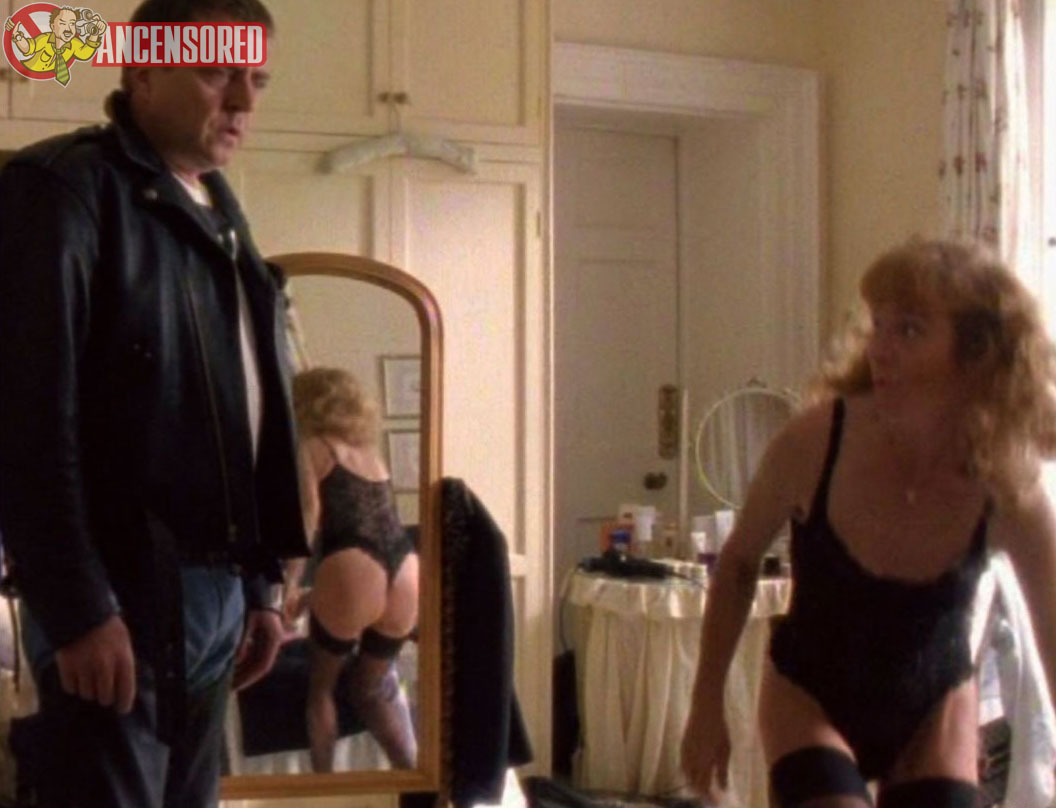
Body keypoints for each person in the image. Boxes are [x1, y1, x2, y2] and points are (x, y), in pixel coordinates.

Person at [0, 0, 308, 805]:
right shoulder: (63, 189)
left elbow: (248, 418)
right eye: (215, 73)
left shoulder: (221, 214)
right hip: (120, 589)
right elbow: (26, 418)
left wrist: (261, 589)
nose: (241, 101)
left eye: (257, 79)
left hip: (219, 594)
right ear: (141, 72)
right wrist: (76, 607)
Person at [680, 238, 1056, 808]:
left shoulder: (1007, 484)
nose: (879, 349)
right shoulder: (816, 440)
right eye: (878, 325)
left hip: (934, 706)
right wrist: (705, 706)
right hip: (810, 695)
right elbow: (737, 565)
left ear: (975, 349)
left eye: (909, 330)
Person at [284, 367, 419, 772]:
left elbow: (307, 521)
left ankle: (325, 789)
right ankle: (412, 780)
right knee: (369, 688)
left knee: (320, 691)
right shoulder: (370, 454)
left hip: (354, 562)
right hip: (405, 567)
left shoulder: (313, 447)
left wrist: (289, 587)